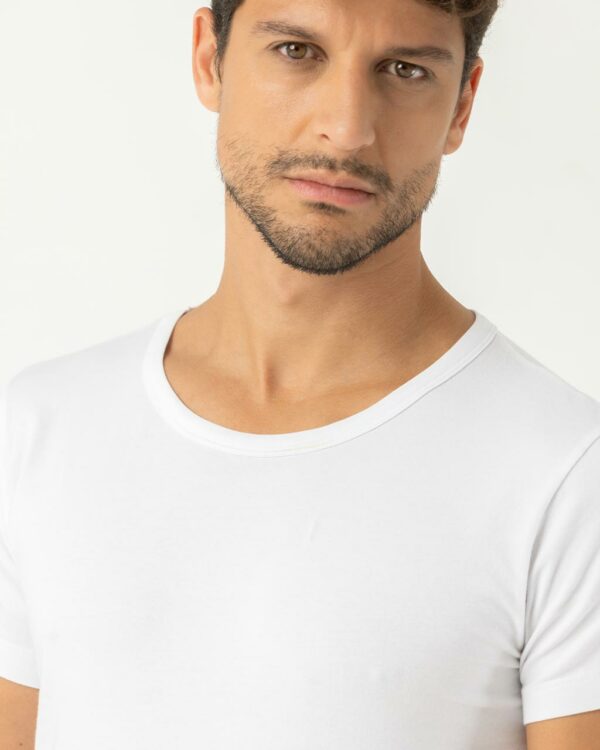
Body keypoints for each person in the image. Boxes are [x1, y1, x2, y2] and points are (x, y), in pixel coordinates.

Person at [1, 0, 599, 748]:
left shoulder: (566, 471)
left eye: (404, 70)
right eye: (296, 51)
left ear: (461, 106)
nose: (346, 129)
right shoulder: (40, 429)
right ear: (210, 59)